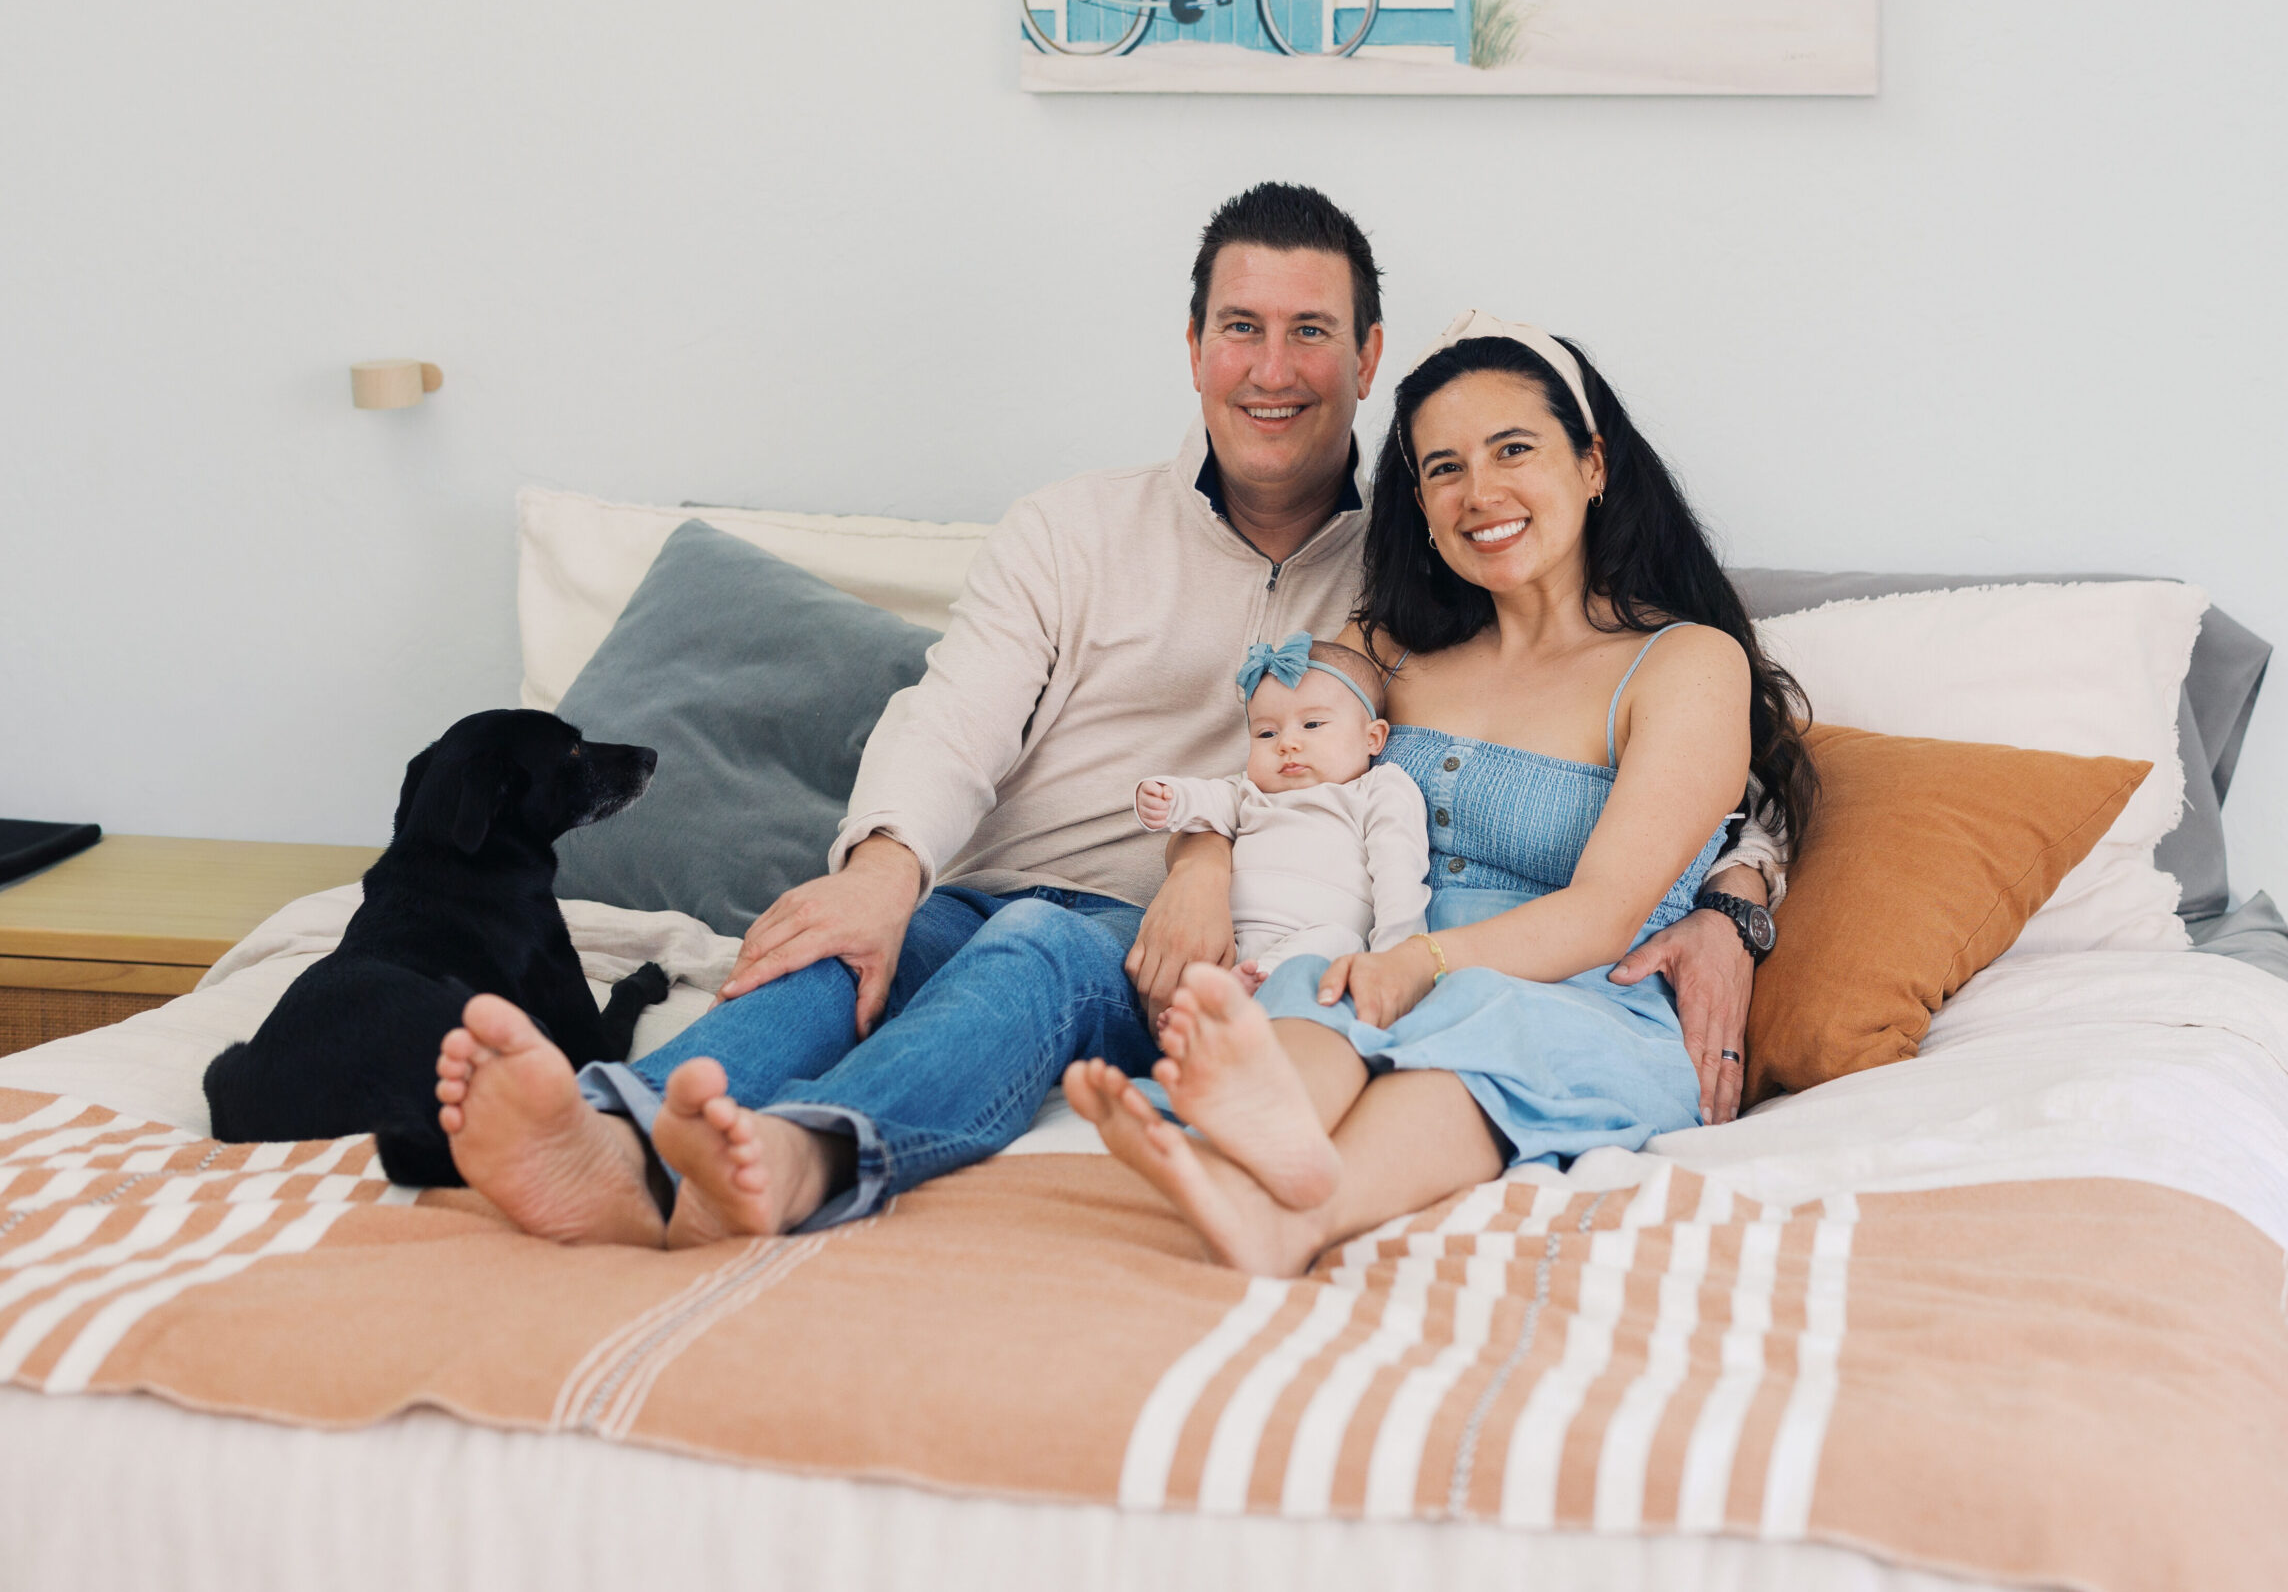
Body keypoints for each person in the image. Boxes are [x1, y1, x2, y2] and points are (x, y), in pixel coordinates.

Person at [431, 190, 1787, 1251]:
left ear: (1367, 357)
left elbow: (1727, 777)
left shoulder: (1427, 587)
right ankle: (613, 1140)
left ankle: (816, 1154)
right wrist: (884, 871)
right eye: (1240, 328)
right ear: (1192, 345)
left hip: (1161, 952)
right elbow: (952, 714)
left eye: (1311, 330)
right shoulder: (1111, 539)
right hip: (1023, 892)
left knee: (1034, 943)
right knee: (851, 938)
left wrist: (1732, 906)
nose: (1272, 367)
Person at [1062, 310, 1817, 1273]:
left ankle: (1288, 1218)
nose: (1480, 491)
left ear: (1593, 464)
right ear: (1417, 501)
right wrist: (1201, 862)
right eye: (1443, 468)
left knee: (1485, 1032)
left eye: (1514, 449)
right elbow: (1258, 783)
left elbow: (1601, 913)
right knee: (1311, 988)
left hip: (1574, 990)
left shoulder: (1683, 664)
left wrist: (1422, 960)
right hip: (1372, 958)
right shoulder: (1384, 653)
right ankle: (1256, 1141)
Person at [1134, 634, 1429, 996]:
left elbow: (1398, 873)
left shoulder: (1377, 789)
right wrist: (1169, 797)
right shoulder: (1250, 792)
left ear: (1373, 738)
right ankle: (1201, 1010)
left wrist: (1395, 958)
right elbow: (1206, 801)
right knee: (1187, 958)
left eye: (1312, 725)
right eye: (1266, 732)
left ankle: (1250, 989)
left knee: (1340, 939)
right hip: (1232, 940)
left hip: (1315, 942)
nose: (1286, 743)